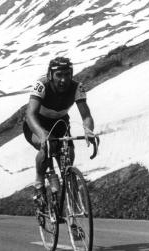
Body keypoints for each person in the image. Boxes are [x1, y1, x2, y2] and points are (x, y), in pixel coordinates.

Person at [23, 57, 95, 205]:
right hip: (36, 123)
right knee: (48, 147)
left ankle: (71, 205)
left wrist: (88, 130)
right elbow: (30, 114)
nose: (64, 80)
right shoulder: (41, 84)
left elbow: (86, 115)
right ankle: (39, 184)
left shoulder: (77, 87)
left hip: (60, 123)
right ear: (50, 75)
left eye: (67, 74)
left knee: (68, 157)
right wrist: (43, 135)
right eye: (59, 75)